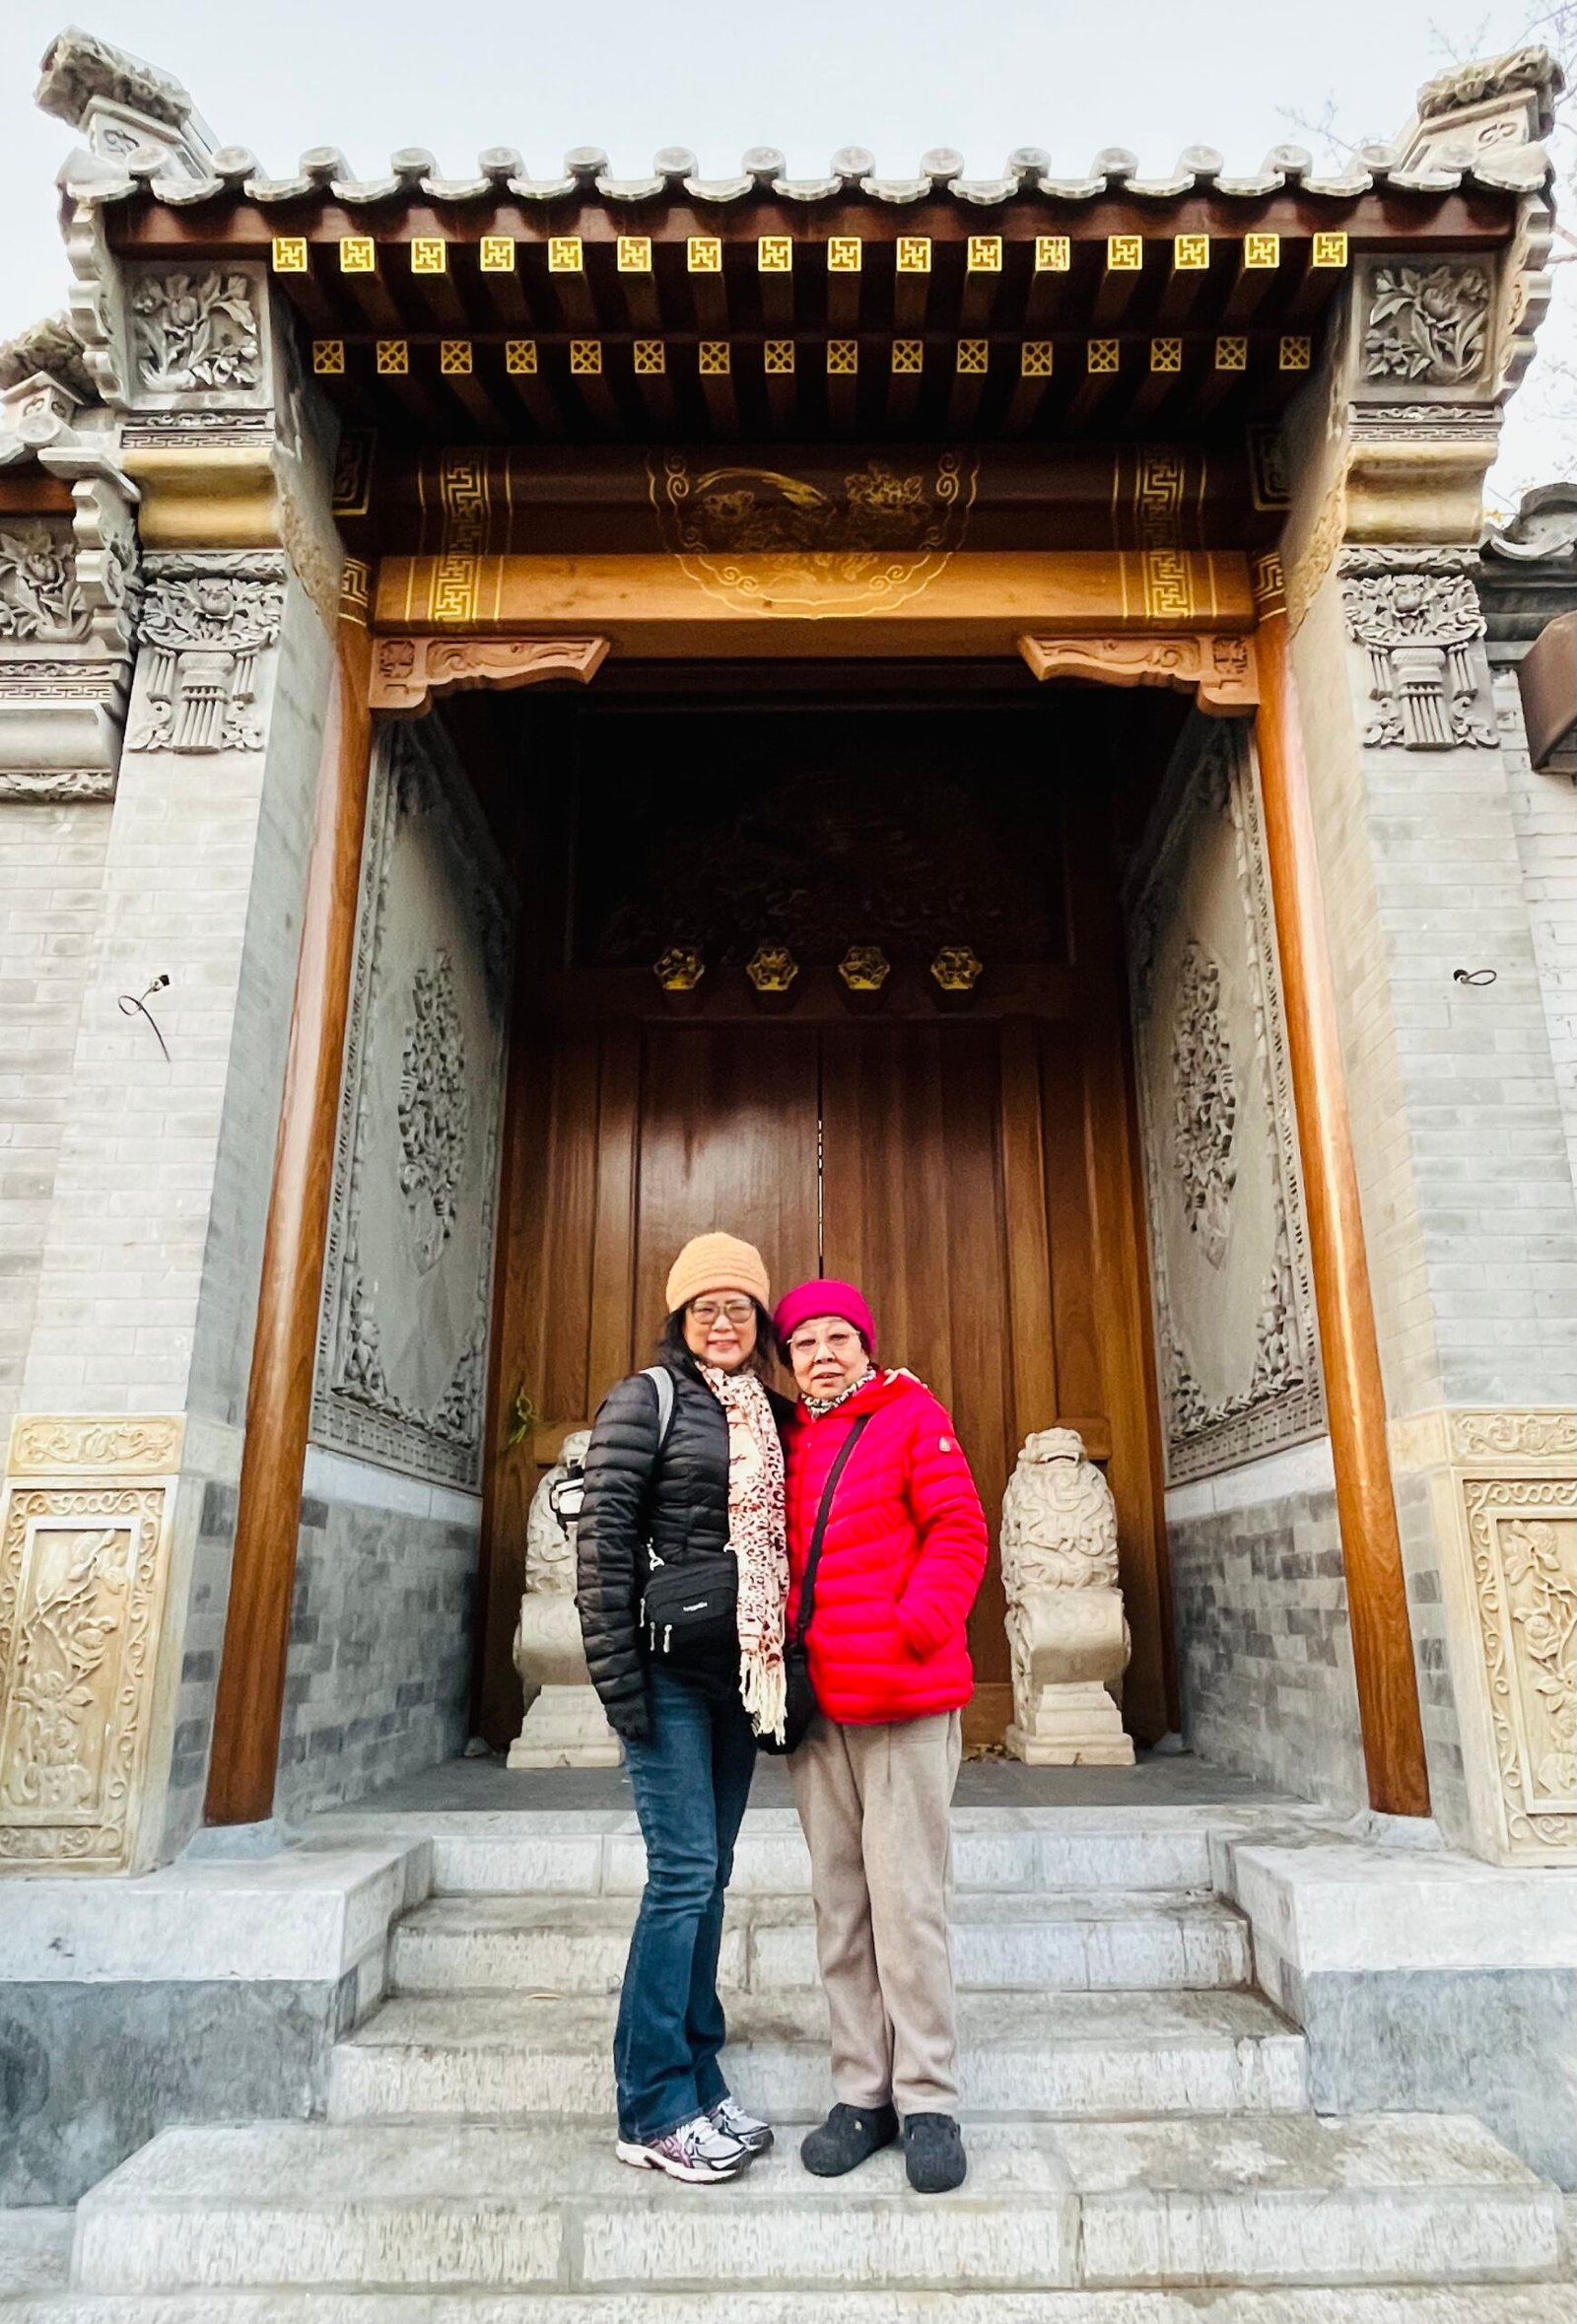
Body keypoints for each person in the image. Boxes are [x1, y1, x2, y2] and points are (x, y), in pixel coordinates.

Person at [577, 1232, 790, 2184]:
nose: (722, 1321)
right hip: (663, 1673)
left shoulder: (774, 1415)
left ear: (760, 1321)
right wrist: (617, 1678)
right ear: (679, 1318)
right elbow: (604, 1541)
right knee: (682, 1873)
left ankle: (701, 2077)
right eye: (705, 1307)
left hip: (735, 1676)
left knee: (711, 1876)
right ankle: (653, 2106)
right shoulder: (647, 1399)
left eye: (739, 1307)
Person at [773, 1278, 988, 2196]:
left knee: (908, 1908)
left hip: (904, 1700)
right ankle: (862, 2093)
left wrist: (917, 1625)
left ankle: (929, 2098)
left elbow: (959, 1528)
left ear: (866, 1345)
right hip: (819, 1710)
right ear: (790, 1361)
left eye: (838, 1338)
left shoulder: (910, 1415)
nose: (823, 1355)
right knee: (841, 1906)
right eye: (805, 1343)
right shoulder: (782, 1440)